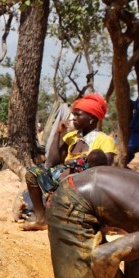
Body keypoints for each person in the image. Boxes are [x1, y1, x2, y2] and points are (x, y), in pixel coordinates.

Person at [20, 93, 117, 230]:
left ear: (91, 118)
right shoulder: (71, 137)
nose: (73, 118)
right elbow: (52, 161)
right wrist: (58, 133)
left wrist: (80, 164)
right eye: (73, 115)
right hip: (60, 181)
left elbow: (105, 169)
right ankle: (41, 219)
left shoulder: (105, 140)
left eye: (78, 115)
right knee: (32, 173)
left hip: (85, 186)